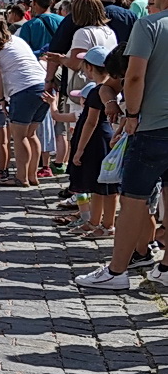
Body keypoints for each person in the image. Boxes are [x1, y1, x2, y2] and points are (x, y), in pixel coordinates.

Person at [75, 0, 168, 291]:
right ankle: (165, 267)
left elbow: (134, 77)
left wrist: (130, 114)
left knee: (133, 200)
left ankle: (116, 272)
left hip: (153, 125)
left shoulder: (151, 25)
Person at [0, 14, 49, 188]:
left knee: (19, 137)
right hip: (42, 85)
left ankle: (21, 177)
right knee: (31, 134)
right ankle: (32, 175)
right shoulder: (18, 41)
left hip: (23, 90)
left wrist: (2, 98)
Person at [64, 48, 119, 241]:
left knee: (106, 187)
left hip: (97, 141)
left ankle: (107, 224)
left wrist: (79, 149)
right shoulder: (105, 89)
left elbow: (91, 121)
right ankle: (95, 221)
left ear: (89, 68)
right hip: (101, 138)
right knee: (97, 186)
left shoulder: (98, 91)